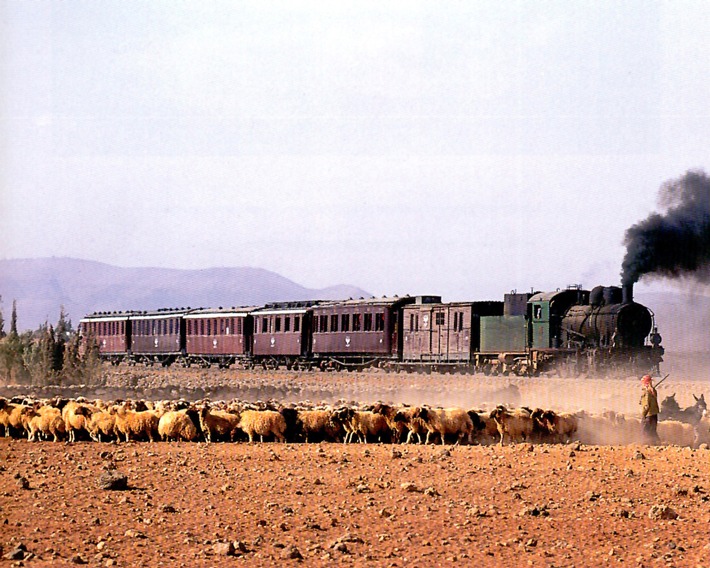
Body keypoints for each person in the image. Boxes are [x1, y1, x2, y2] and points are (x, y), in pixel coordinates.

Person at [639, 374, 661, 444]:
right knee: (653, 431)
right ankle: (656, 443)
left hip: (648, 415)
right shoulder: (653, 391)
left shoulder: (647, 392)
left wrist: (643, 415)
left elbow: (646, 405)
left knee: (644, 430)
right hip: (654, 414)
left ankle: (646, 444)